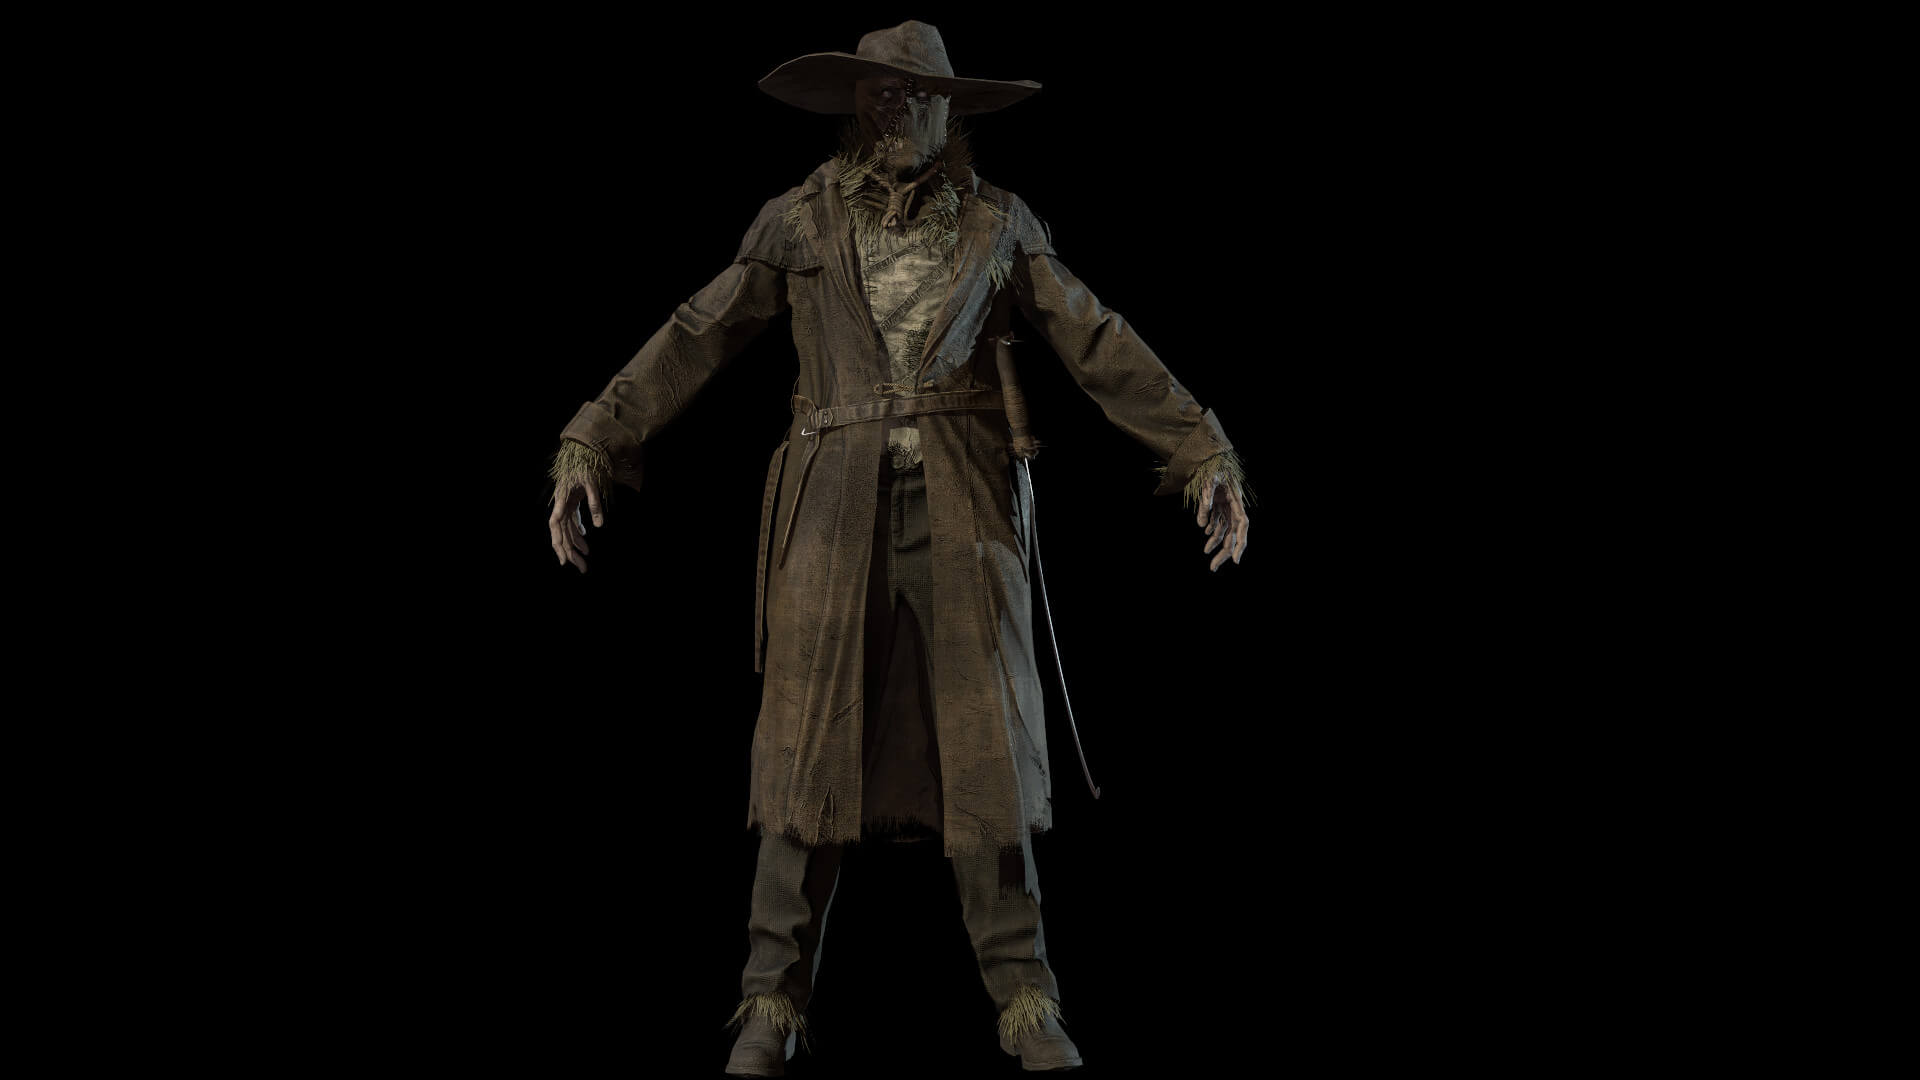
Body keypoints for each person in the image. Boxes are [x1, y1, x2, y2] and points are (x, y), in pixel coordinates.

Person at [544, 21, 1250, 1077]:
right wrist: (595, 436)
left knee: (986, 749)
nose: (891, 108)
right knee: (804, 745)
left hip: (964, 510)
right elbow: (699, 331)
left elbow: (1096, 338)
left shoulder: (998, 224)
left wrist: (1200, 448)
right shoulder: (800, 220)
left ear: (947, 107)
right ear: (853, 102)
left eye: (913, 93)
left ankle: (1024, 997)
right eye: (875, 90)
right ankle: (770, 999)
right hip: (830, 508)